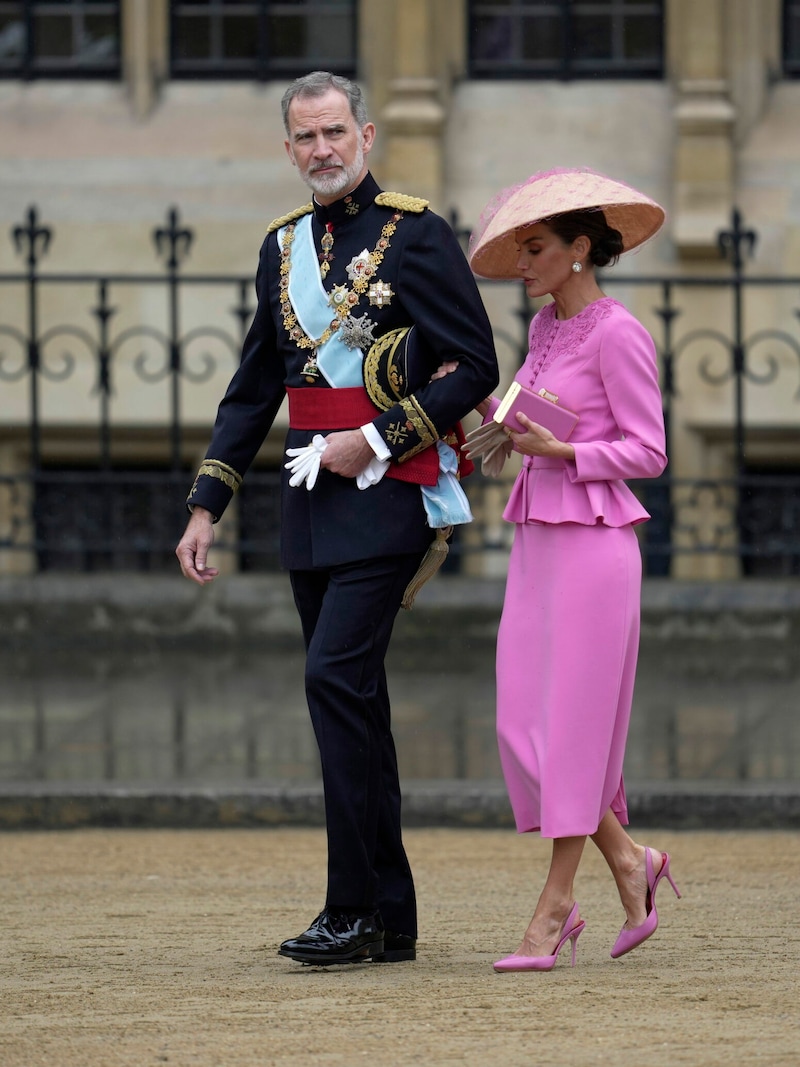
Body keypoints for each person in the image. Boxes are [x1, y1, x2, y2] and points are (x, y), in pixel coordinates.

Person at [175, 71, 499, 967]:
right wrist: (208, 501)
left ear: (366, 134)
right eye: (304, 137)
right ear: (289, 149)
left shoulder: (419, 234)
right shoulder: (280, 247)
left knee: (330, 681)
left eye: (334, 132)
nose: (321, 150)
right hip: (309, 506)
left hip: (388, 498)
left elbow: (476, 363)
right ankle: (390, 917)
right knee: (355, 703)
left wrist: (383, 438)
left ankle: (348, 908)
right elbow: (253, 388)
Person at [464, 168, 680, 972]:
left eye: (537, 248)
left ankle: (554, 910)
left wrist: (566, 451)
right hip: (538, 542)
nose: (524, 263)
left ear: (579, 249)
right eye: (520, 249)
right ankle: (631, 859)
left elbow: (649, 448)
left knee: (574, 735)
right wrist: (481, 414)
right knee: (522, 725)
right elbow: (525, 414)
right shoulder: (545, 331)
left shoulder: (618, 330)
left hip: (595, 548)